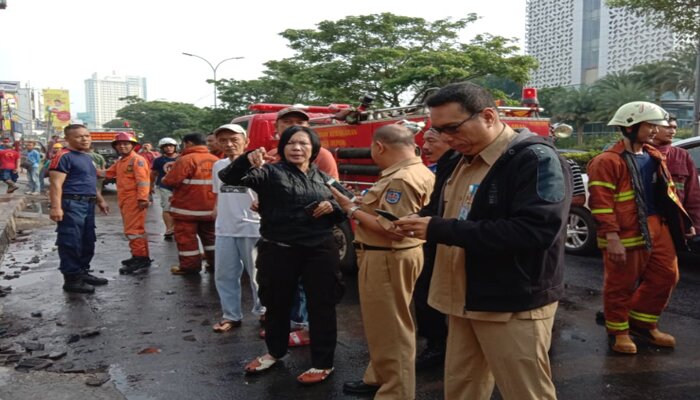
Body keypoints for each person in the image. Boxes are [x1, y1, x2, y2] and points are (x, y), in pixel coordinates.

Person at [395, 82, 571, 400]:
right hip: (464, 299)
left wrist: (438, 229)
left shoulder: (534, 159)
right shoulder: (459, 159)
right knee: (463, 387)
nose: (445, 138)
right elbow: (445, 210)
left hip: (511, 303)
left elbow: (536, 231)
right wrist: (416, 221)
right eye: (437, 130)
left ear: (488, 116)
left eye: (452, 128)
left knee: (525, 392)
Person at [219, 125, 345, 385]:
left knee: (322, 306)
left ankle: (323, 363)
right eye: (291, 143)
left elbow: (346, 204)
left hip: (320, 251)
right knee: (276, 305)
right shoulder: (268, 173)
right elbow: (229, 178)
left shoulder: (323, 177)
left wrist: (331, 205)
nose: (297, 148)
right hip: (279, 249)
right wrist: (246, 159)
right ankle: (275, 352)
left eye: (303, 144)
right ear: (282, 147)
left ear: (314, 149)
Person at [333, 124, 434, 399]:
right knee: (382, 324)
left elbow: (393, 229)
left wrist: (350, 208)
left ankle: (396, 391)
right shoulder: (417, 170)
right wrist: (358, 204)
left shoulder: (400, 179)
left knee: (392, 327)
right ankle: (379, 376)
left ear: (379, 147)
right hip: (389, 256)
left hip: (388, 256)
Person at [588, 102, 691, 355]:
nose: (656, 130)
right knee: (620, 284)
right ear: (631, 126)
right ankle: (618, 332)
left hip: (658, 225)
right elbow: (601, 204)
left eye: (657, 125)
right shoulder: (606, 161)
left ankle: (643, 324)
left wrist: (684, 222)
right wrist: (611, 237)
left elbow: (666, 195)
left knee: (667, 276)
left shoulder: (655, 156)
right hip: (624, 231)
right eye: (650, 125)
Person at [265, 107, 341, 346]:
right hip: (280, 235)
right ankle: (288, 326)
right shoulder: (270, 156)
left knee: (311, 286)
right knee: (282, 286)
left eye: (300, 122)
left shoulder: (322, 156)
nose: (293, 126)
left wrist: (328, 205)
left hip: (311, 233)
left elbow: (335, 193)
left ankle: (307, 328)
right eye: (287, 122)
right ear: (276, 128)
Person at [210, 124, 266, 332]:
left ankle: (264, 312)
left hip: (253, 227)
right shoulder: (218, 166)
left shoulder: (258, 165)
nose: (229, 144)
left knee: (257, 275)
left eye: (234, 139)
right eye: (223, 140)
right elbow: (219, 193)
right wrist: (217, 212)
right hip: (225, 228)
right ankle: (230, 315)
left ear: (246, 142)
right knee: (224, 275)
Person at [413, 128, 458, 370]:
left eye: (431, 140)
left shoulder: (458, 165)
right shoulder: (444, 166)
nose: (425, 147)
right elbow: (436, 205)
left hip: (449, 239)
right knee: (426, 294)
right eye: (422, 141)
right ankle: (436, 344)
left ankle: (438, 346)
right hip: (436, 238)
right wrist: (416, 217)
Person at [49, 124, 109, 293]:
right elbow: (55, 184)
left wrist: (100, 200)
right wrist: (56, 207)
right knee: (71, 241)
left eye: (87, 135)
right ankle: (72, 279)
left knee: (87, 240)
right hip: (71, 204)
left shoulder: (86, 157)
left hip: (88, 203)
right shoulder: (63, 156)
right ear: (67, 139)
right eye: (79, 136)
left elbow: (90, 182)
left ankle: (82, 272)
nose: (85, 139)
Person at [162, 133, 218, 275]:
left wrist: (164, 178)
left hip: (187, 210)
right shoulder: (215, 160)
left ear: (189, 143)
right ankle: (216, 264)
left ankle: (190, 267)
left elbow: (171, 181)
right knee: (212, 240)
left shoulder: (185, 160)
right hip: (211, 210)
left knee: (187, 241)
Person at [104, 132, 152, 274]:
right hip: (126, 200)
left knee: (133, 231)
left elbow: (143, 181)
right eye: (120, 144)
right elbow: (107, 173)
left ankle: (140, 259)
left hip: (134, 200)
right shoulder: (121, 161)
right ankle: (141, 256)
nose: (123, 146)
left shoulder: (137, 160)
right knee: (136, 230)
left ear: (133, 145)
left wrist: (143, 198)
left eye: (126, 144)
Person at [651, 115, 700, 234]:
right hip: (650, 222)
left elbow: (693, 195)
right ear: (653, 128)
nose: (672, 131)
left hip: (677, 223)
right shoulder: (641, 154)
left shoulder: (682, 155)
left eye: (674, 128)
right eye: (668, 127)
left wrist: (694, 226)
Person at [150, 137, 179, 239]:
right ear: (162, 148)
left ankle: (178, 228)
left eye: (171, 146)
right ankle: (169, 229)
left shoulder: (182, 158)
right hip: (164, 187)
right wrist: (150, 186)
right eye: (166, 146)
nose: (169, 148)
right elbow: (153, 174)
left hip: (180, 187)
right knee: (167, 207)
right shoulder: (158, 160)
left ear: (175, 147)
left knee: (179, 209)